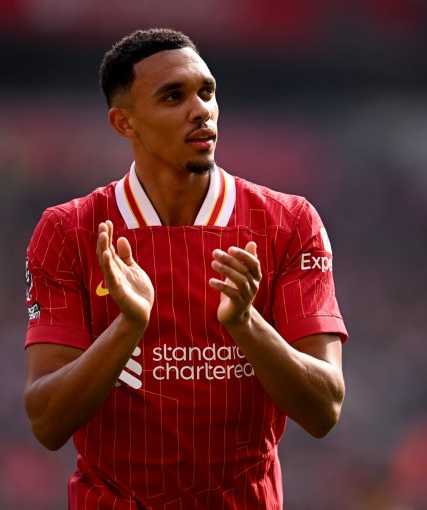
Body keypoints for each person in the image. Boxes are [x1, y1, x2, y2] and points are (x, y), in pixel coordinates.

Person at [23, 28, 348, 509]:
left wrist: (246, 322)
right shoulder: (69, 231)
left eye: (207, 92)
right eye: (173, 96)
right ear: (125, 123)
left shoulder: (288, 223)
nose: (202, 110)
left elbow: (325, 409)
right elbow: (47, 422)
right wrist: (128, 325)